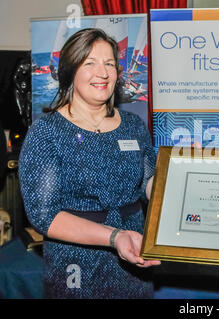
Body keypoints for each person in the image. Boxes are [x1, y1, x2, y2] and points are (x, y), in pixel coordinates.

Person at [18, 28, 160, 299]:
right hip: (76, 269)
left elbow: (150, 183)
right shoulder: (47, 132)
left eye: (109, 64)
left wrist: (186, 180)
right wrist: (113, 236)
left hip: (135, 262)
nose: (103, 73)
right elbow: (44, 216)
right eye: (90, 63)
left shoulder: (133, 125)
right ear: (71, 70)